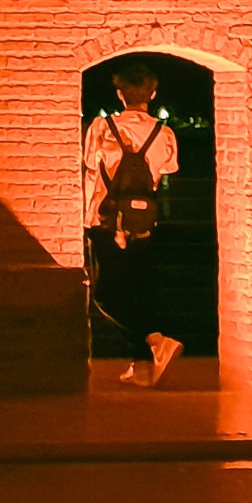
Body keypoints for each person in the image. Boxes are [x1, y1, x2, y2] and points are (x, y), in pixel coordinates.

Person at [83, 62, 183, 387]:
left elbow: (89, 162)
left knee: (104, 296)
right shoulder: (164, 133)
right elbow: (167, 169)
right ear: (152, 94)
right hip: (143, 223)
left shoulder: (102, 127)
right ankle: (141, 365)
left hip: (105, 220)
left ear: (119, 94)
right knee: (140, 291)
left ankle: (154, 341)